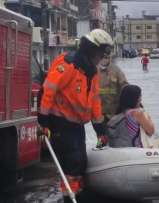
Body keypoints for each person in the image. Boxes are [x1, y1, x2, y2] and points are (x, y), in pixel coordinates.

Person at [37, 29, 113, 203]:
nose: (103, 56)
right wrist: (43, 122)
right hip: (59, 123)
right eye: (102, 51)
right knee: (72, 161)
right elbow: (47, 91)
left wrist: (101, 130)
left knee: (80, 162)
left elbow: (94, 102)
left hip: (76, 125)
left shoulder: (91, 72)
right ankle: (69, 197)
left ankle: (77, 194)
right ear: (92, 49)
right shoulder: (68, 64)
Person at [97, 54, 128, 127]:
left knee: (114, 135)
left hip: (114, 112)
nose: (105, 60)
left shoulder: (116, 70)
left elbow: (125, 86)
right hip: (98, 113)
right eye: (103, 57)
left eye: (107, 57)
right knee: (102, 136)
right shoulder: (93, 69)